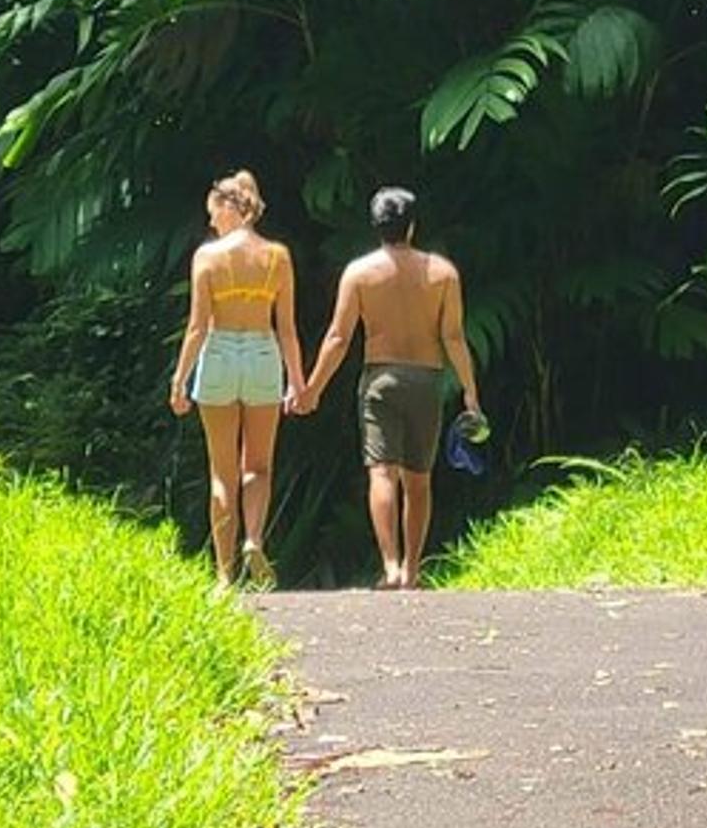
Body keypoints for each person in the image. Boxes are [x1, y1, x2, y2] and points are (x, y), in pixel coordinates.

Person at [298, 186, 482, 590]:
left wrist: (312, 388)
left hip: (379, 380)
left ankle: (391, 564)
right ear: (412, 226)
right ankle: (413, 571)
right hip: (426, 380)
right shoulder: (443, 273)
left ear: (376, 225)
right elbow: (453, 337)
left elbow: (337, 338)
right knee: (419, 479)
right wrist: (469, 390)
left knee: (382, 473)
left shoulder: (360, 273)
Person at [169, 171, 304, 588]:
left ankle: (225, 575)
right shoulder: (277, 256)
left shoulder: (207, 258)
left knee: (221, 472)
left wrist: (179, 381)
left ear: (230, 207)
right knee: (259, 466)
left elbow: (197, 326)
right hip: (263, 354)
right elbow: (287, 328)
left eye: (214, 214)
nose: (212, 224)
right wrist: (297, 381)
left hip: (220, 355)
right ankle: (254, 539)